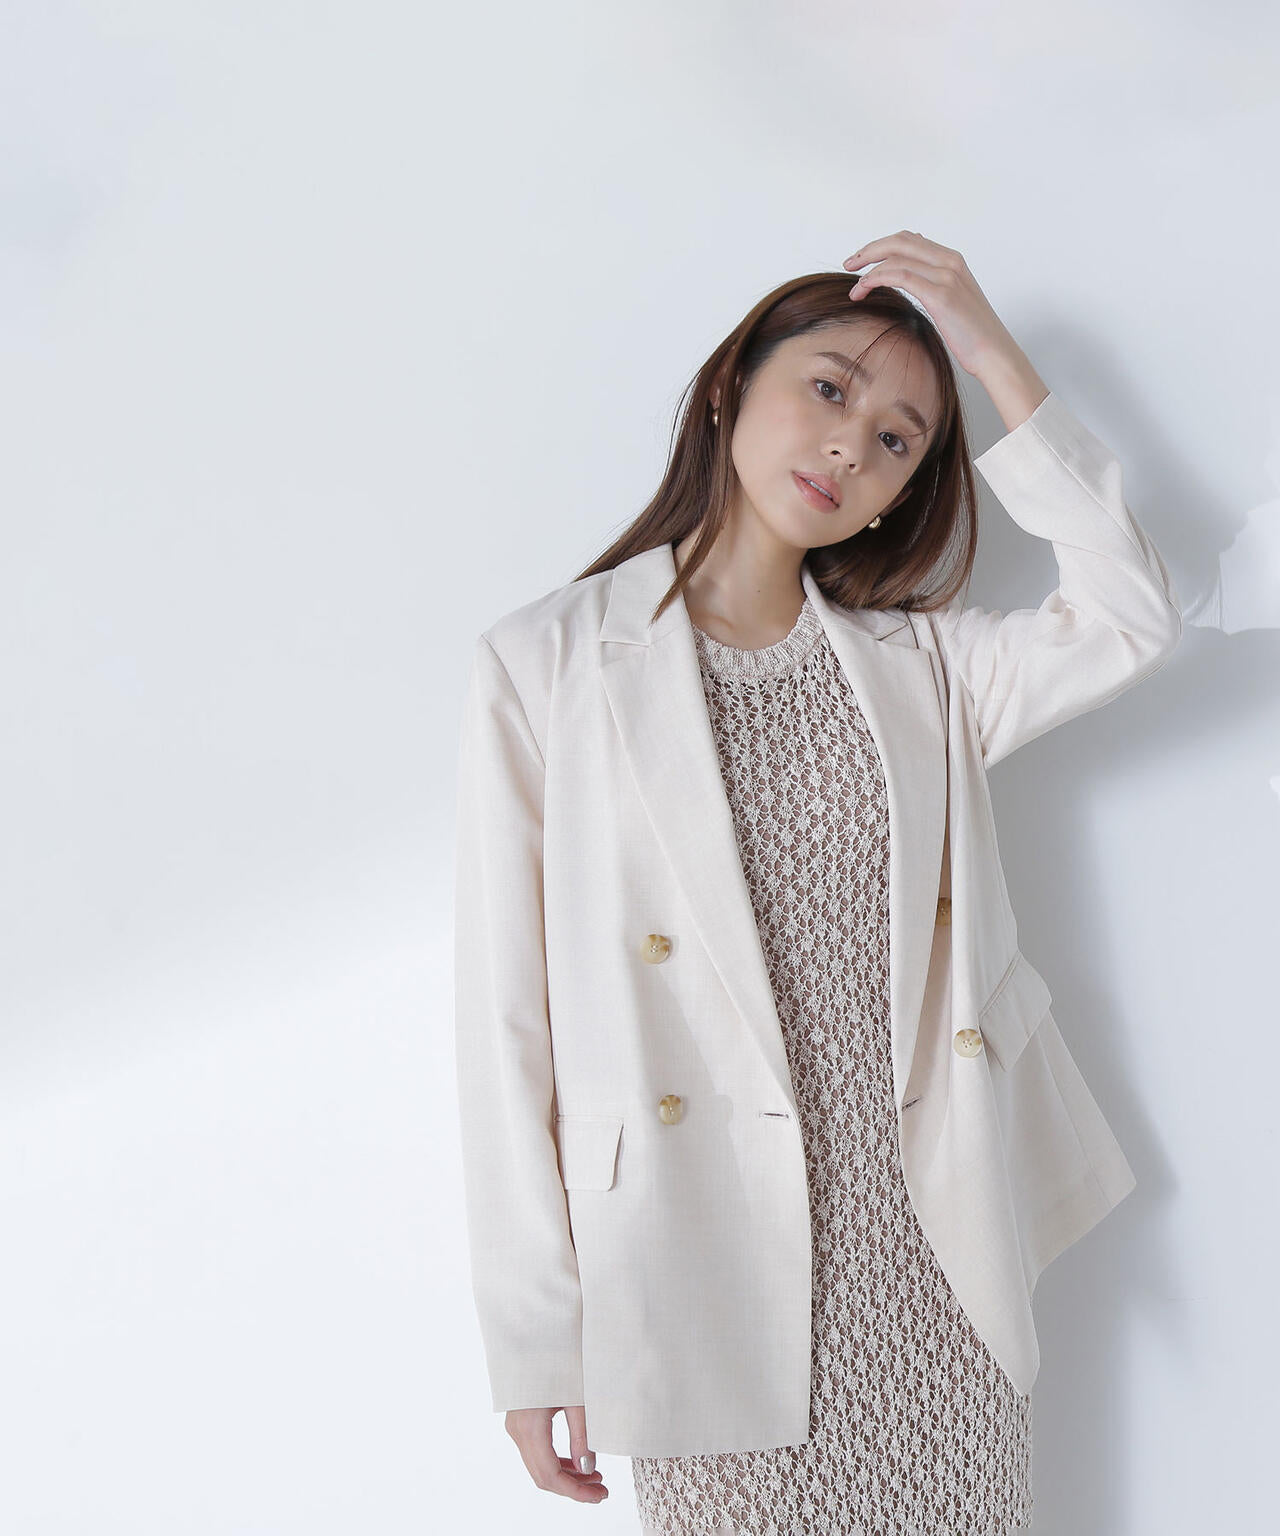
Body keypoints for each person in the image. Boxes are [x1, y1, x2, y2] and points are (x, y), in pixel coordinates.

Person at [452, 232, 1182, 1535]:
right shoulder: (546, 666)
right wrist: (534, 1336)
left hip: (935, 1257)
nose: (852, 445)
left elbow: (1130, 615)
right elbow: (508, 1024)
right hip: (703, 1257)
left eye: (898, 439)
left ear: (900, 496)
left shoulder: (923, 671)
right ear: (732, 387)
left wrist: (990, 352)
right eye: (831, 389)